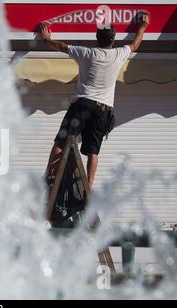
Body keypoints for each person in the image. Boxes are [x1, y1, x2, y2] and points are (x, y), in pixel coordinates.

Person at [41, 14, 149, 189]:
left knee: (61, 141)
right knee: (93, 151)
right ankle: (89, 186)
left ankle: (48, 176)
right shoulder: (118, 54)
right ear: (113, 38)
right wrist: (143, 25)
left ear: (96, 37)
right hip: (103, 109)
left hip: (83, 105)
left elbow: (62, 46)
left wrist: (46, 39)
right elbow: (136, 44)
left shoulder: (86, 53)